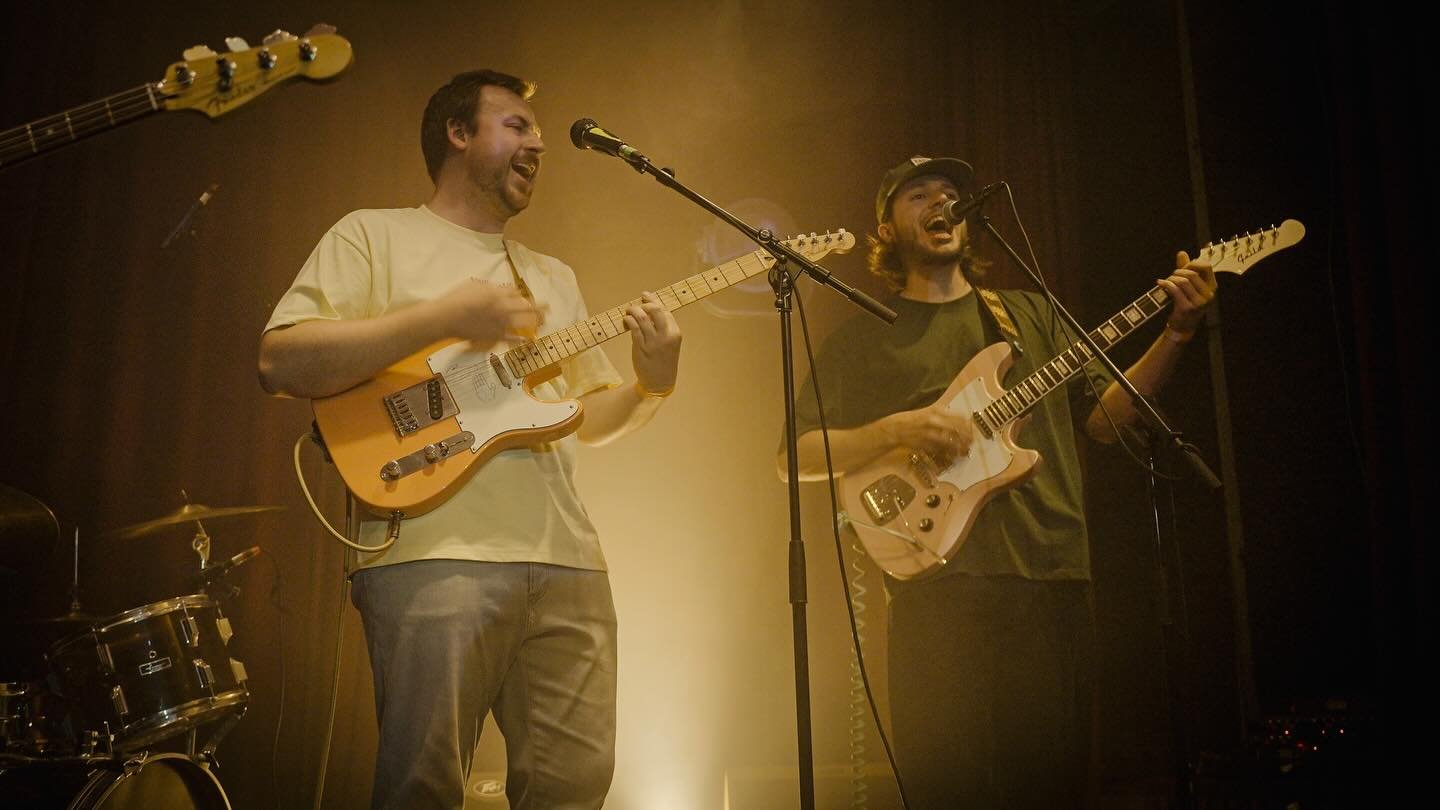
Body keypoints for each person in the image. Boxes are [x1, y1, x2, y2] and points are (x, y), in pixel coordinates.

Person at [257, 69, 682, 810]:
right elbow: (280, 360)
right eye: (516, 125)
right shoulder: (373, 233)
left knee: (574, 789)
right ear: (458, 134)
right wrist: (442, 319)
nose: (539, 142)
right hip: (431, 556)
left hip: (570, 563)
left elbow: (588, 418)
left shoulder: (553, 275)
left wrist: (652, 383)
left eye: (536, 131)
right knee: (422, 787)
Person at [780, 156, 1215, 808]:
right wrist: (897, 429)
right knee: (945, 787)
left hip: (1048, 575)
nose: (940, 202)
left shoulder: (1031, 315)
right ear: (888, 229)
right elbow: (797, 456)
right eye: (919, 195)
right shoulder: (866, 337)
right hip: (935, 585)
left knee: (1051, 786)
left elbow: (1104, 422)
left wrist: (1178, 332)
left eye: (952, 193)